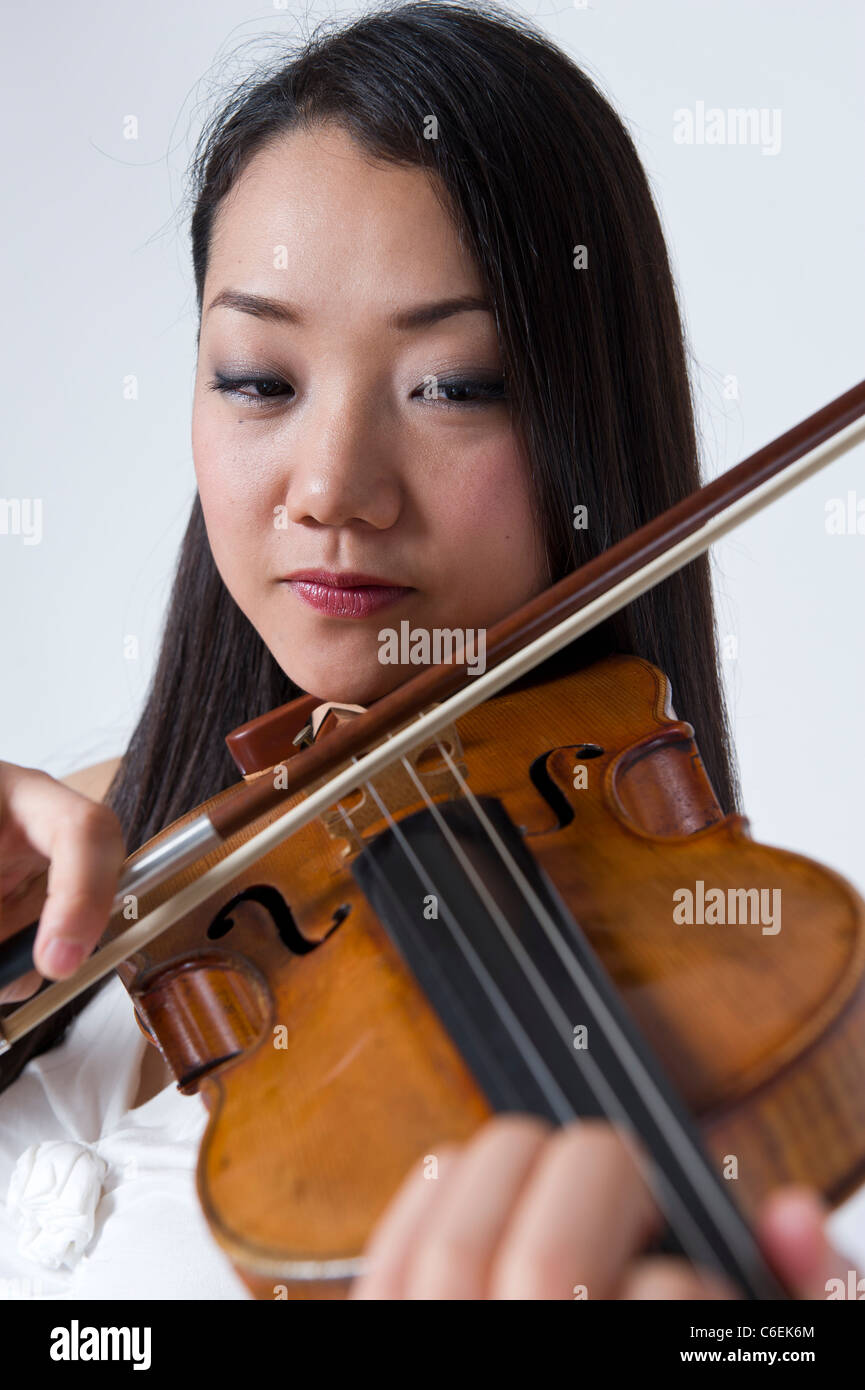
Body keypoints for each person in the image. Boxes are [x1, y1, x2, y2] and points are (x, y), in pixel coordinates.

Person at [0, 1, 860, 1300]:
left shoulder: (733, 999)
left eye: (450, 385)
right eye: (256, 379)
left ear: (585, 419)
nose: (334, 485)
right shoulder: (91, 862)